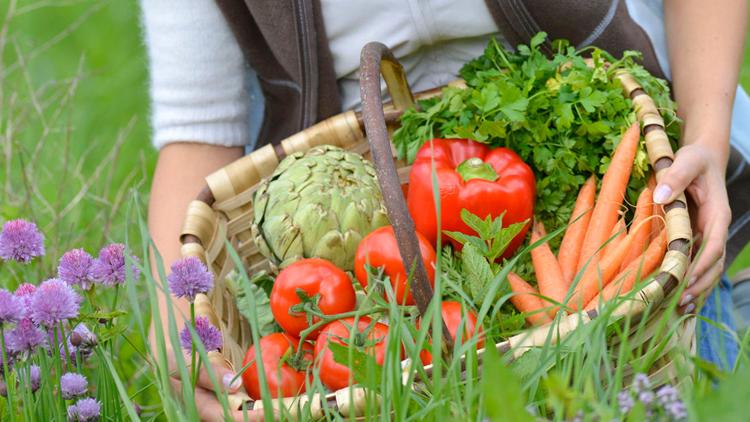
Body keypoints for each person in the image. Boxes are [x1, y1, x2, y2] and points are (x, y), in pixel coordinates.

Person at [140, 0, 748, 420]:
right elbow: (197, 124)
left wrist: (707, 141)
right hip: (365, 205)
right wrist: (176, 313)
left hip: (645, 218)